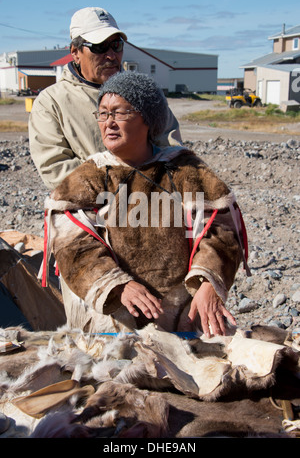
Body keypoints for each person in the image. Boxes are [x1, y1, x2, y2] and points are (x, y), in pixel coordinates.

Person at [44, 72, 249, 337]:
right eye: (103, 114)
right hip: (112, 325)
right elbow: (72, 245)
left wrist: (208, 281)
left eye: (120, 113)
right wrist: (118, 285)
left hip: (183, 318)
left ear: (147, 119)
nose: (109, 123)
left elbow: (221, 231)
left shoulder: (186, 171)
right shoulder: (88, 178)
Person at [29, 7, 182, 190]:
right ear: (75, 52)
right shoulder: (51, 103)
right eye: (99, 47)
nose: (111, 55)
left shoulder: (146, 93)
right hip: (90, 212)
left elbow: (172, 150)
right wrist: (121, 180)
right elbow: (55, 170)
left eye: (116, 45)